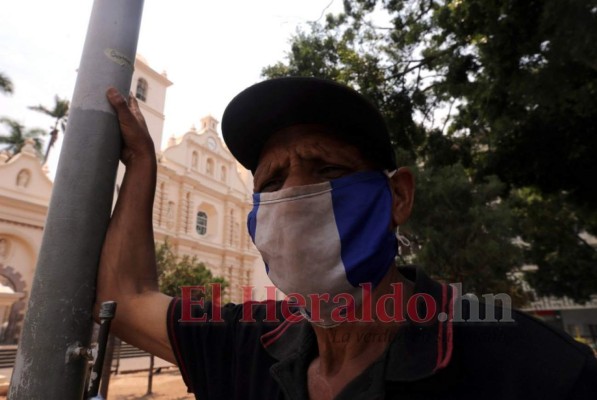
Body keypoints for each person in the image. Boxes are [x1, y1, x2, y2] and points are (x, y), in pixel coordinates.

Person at [98, 77, 597, 400]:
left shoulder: (535, 371)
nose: (293, 195)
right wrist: (143, 163)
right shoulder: (246, 343)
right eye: (270, 182)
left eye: (328, 169)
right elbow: (125, 299)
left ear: (398, 197)